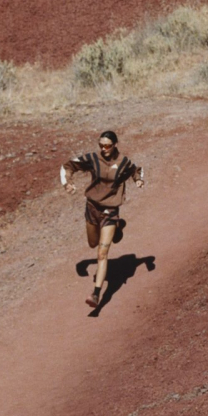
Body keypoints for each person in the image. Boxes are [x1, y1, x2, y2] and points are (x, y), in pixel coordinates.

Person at [62, 130, 145, 309]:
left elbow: (136, 170)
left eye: (107, 145)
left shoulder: (123, 162)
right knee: (92, 243)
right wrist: (67, 182)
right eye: (101, 145)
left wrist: (139, 180)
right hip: (92, 208)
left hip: (110, 210)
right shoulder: (93, 158)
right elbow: (67, 166)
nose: (103, 149)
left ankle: (96, 294)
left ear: (115, 144)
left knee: (101, 253)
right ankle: (118, 227)